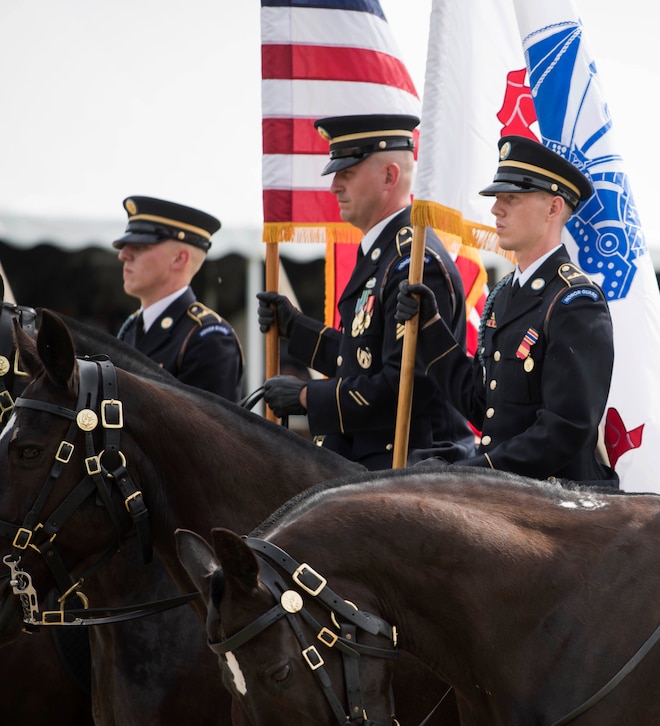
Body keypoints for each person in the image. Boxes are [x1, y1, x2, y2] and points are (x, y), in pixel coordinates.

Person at [395, 135, 618, 487]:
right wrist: (429, 328)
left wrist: (473, 474)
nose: (496, 209)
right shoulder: (504, 296)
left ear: (553, 208)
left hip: (558, 509)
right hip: (508, 499)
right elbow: (483, 406)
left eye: (511, 199)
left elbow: (566, 429)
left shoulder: (575, 301)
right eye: (498, 198)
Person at [258, 114, 474, 469]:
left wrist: (305, 395)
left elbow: (400, 387)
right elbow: (360, 358)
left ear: (389, 176)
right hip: (366, 461)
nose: (334, 187)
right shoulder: (383, 252)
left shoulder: (415, 263)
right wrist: (295, 328)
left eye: (347, 173)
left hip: (409, 465)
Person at [114, 196, 244, 401]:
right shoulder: (132, 327)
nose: (123, 255)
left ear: (179, 258)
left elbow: (206, 430)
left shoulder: (208, 337)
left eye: (140, 246)